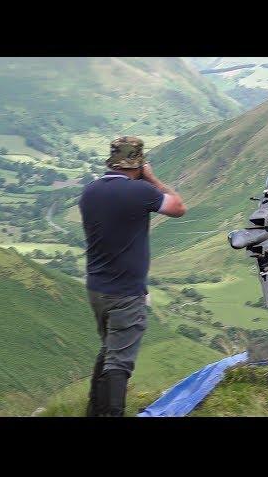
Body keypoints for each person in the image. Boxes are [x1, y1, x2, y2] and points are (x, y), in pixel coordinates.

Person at [79, 136, 186, 417]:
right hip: (126, 291)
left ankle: (95, 411)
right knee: (120, 362)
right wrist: (152, 179)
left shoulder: (89, 192)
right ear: (138, 163)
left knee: (109, 350)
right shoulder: (140, 192)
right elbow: (178, 207)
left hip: (96, 288)